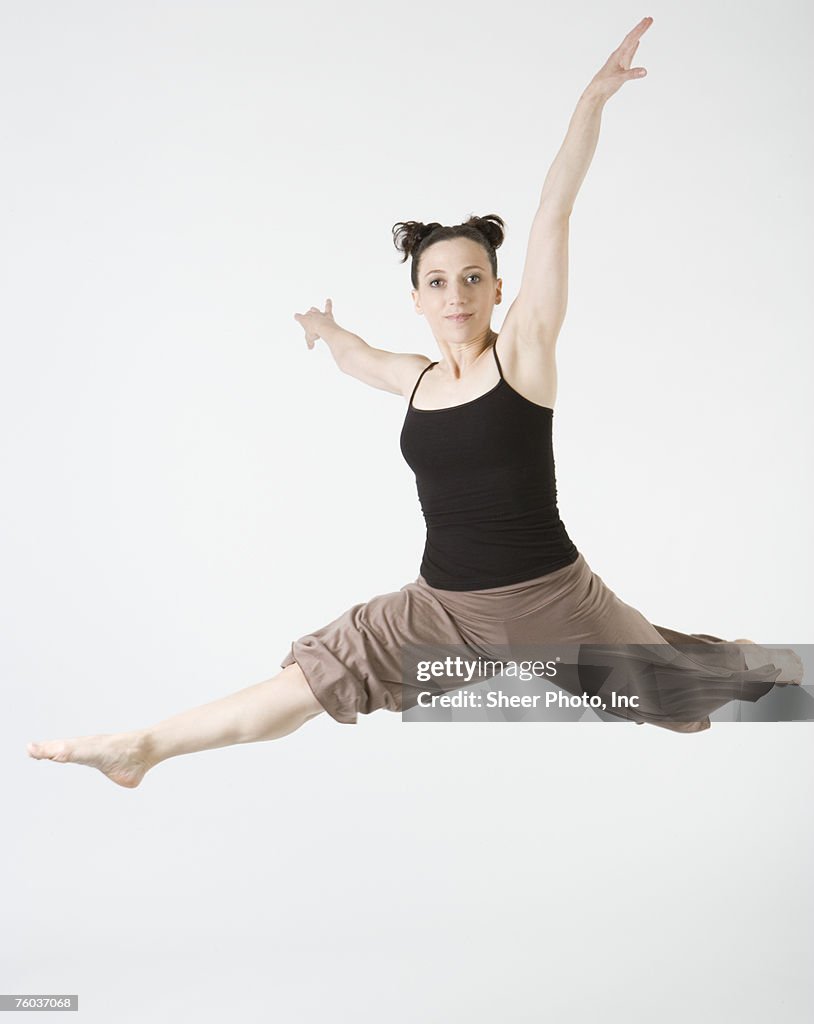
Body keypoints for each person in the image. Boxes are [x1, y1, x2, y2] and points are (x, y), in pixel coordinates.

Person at [26, 17, 801, 787]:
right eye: (437, 282)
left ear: (499, 290)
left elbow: (554, 212)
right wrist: (326, 328)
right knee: (313, 679)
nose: (456, 293)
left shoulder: (523, 358)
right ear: (418, 300)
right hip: (440, 612)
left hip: (553, 607)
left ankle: (750, 667)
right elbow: (358, 358)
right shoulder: (418, 379)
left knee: (685, 699)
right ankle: (142, 749)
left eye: (473, 278)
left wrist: (592, 102)